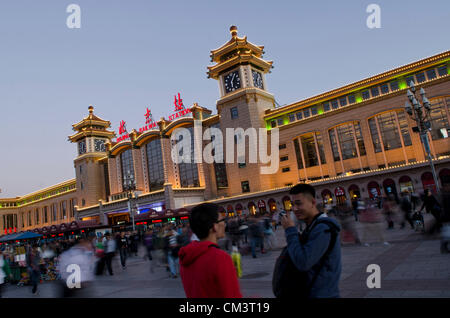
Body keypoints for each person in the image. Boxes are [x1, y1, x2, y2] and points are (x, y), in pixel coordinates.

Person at [273, 183, 341, 298]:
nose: (294, 209)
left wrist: (290, 231)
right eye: (292, 204)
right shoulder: (312, 226)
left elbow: (303, 262)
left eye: (299, 204)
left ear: (313, 202)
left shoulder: (323, 229)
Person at [179, 203, 242, 298]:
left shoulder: (186, 257)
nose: (224, 223)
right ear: (214, 226)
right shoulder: (220, 258)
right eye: (222, 220)